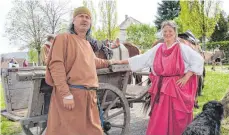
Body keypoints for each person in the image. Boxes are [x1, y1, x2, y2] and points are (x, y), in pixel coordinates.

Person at [116, 20, 204, 135]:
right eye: (165, 31)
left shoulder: (182, 48)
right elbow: (142, 58)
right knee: (159, 118)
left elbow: (198, 60)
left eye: (170, 31)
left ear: (175, 33)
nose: (167, 33)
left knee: (177, 117)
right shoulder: (158, 48)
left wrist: (187, 76)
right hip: (161, 88)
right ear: (162, 33)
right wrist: (120, 61)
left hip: (177, 88)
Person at [44, 6, 117, 135]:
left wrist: (112, 62)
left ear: (90, 23)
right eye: (81, 16)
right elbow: (56, 65)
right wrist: (65, 94)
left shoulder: (87, 44)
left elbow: (93, 62)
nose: (84, 19)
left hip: (90, 99)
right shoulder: (63, 38)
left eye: (87, 17)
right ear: (73, 20)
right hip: (72, 96)